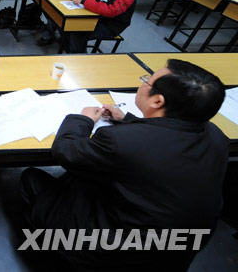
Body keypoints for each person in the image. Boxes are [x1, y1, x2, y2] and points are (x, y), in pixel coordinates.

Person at [20, 60, 228, 271]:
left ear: (157, 101)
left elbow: (65, 151)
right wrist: (128, 120)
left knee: (33, 179)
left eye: (147, 81)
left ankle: (52, 248)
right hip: (177, 251)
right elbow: (164, 140)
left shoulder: (121, 141)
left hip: (115, 249)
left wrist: (82, 120)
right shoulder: (217, 136)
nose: (143, 83)